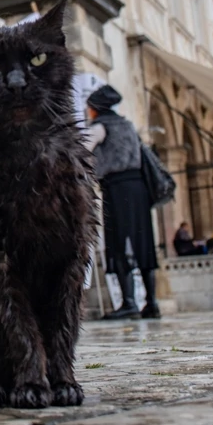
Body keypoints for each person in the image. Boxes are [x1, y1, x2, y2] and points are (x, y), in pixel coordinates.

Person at [81, 85, 160, 320]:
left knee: (119, 241)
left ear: (95, 108)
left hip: (117, 189)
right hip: (139, 188)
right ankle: (151, 302)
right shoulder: (127, 126)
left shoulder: (99, 127)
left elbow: (81, 151)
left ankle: (128, 303)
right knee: (143, 242)